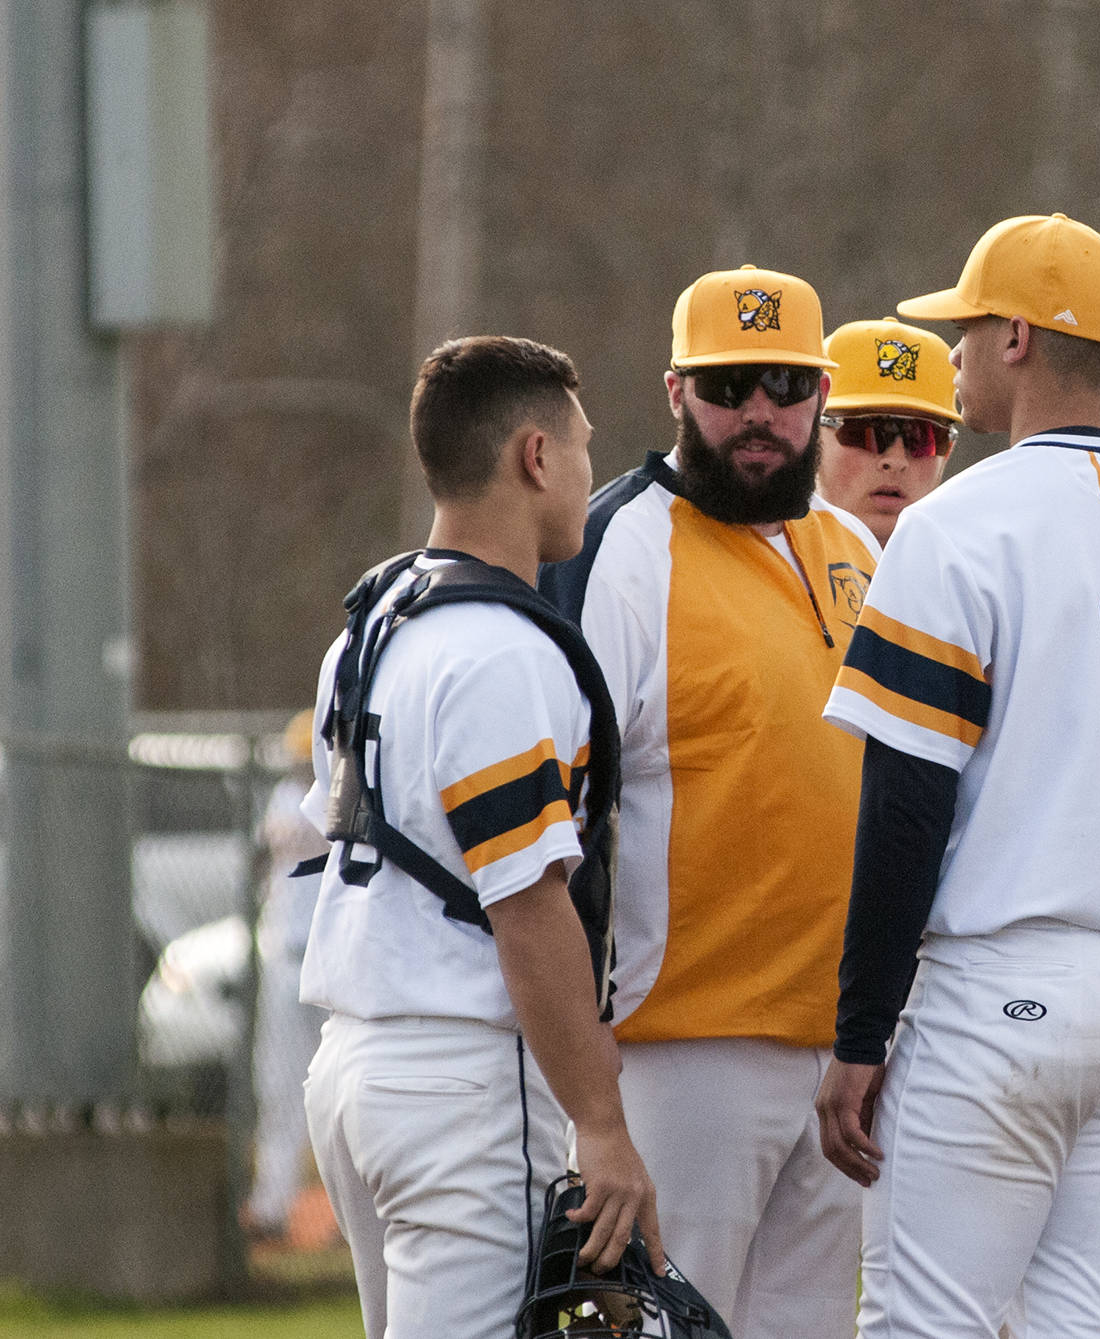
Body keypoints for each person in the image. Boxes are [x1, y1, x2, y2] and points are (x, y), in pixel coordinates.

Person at [812, 212, 1100, 1339]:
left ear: (1015, 337)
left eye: (968, 327)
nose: (955, 352)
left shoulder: (953, 526)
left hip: (1009, 986)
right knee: (1084, 1325)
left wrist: (861, 1032)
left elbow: (905, 806)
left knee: (927, 1323)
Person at [539, 266, 880, 1339]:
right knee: (669, 1327)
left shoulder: (857, 546)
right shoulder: (617, 545)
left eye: (785, 384)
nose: (759, 412)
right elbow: (563, 821)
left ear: (822, 392)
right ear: (677, 391)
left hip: (842, 1049)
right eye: (730, 387)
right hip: (681, 1043)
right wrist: (588, 1078)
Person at [300, 336, 660, 1339]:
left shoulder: (369, 622)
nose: (588, 470)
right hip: (461, 1076)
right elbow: (526, 903)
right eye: (581, 446)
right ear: (535, 456)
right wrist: (601, 1123)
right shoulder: (501, 648)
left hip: (353, 1064)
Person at [242, 709, 330, 1245]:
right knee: (278, 1090)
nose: (303, 771)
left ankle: (350, 1218)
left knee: (340, 1092)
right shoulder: (284, 798)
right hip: (287, 961)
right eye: (300, 762)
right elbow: (277, 837)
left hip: (333, 967)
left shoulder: (348, 795)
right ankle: (271, 1206)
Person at [815, 317, 960, 545]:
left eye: (923, 437)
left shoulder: (978, 564)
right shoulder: (764, 556)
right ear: (811, 438)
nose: (895, 460)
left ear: (948, 450)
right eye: (865, 432)